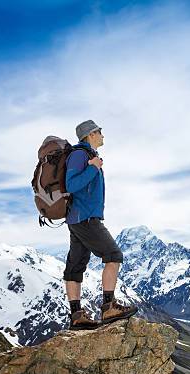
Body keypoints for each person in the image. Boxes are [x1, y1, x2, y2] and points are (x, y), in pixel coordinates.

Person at [62, 119, 138, 330]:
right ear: (90, 134)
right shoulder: (80, 155)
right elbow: (72, 184)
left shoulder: (88, 156)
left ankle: (76, 316)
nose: (103, 134)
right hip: (85, 218)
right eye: (99, 131)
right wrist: (93, 169)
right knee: (113, 255)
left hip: (79, 218)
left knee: (75, 267)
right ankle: (109, 307)